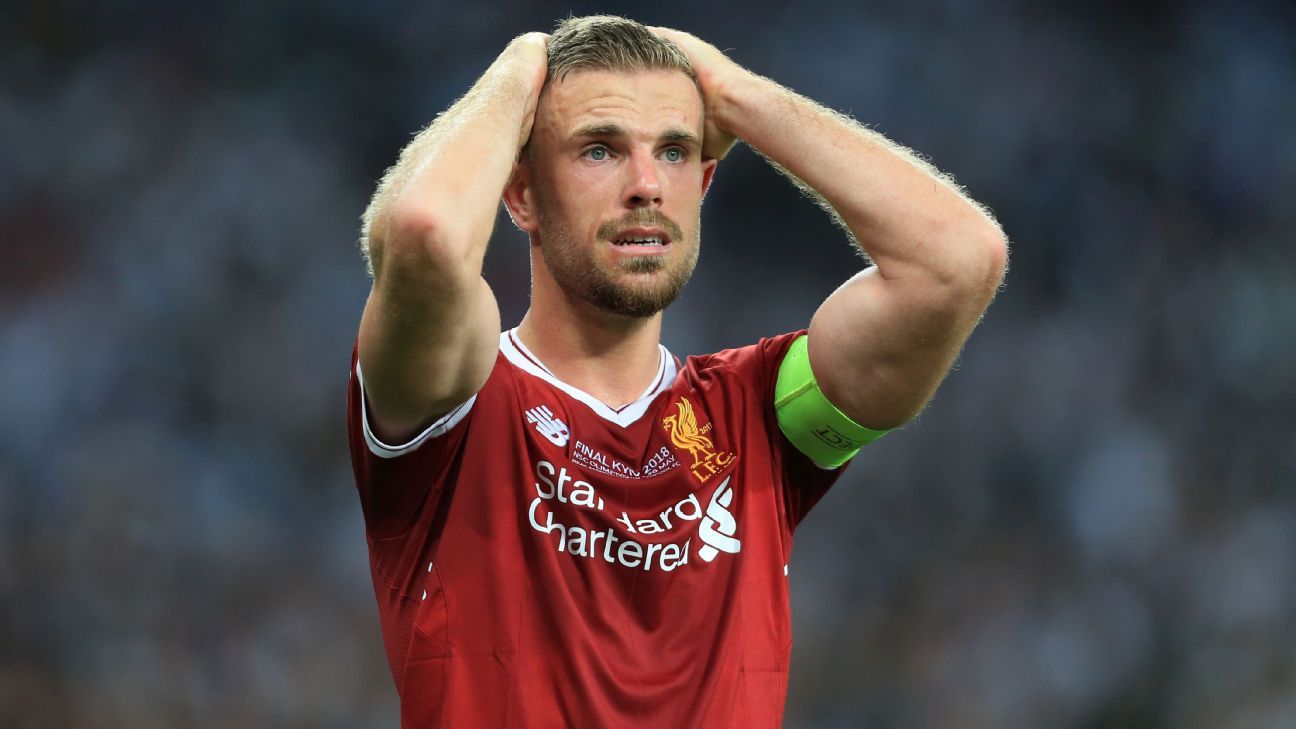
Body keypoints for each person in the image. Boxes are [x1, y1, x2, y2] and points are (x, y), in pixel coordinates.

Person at [346, 14, 1006, 728]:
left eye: (673, 151)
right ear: (522, 193)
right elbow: (426, 235)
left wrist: (736, 94)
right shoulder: (455, 400)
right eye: (599, 150)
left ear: (704, 183)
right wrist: (518, 69)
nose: (646, 185)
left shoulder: (760, 414)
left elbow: (958, 261)